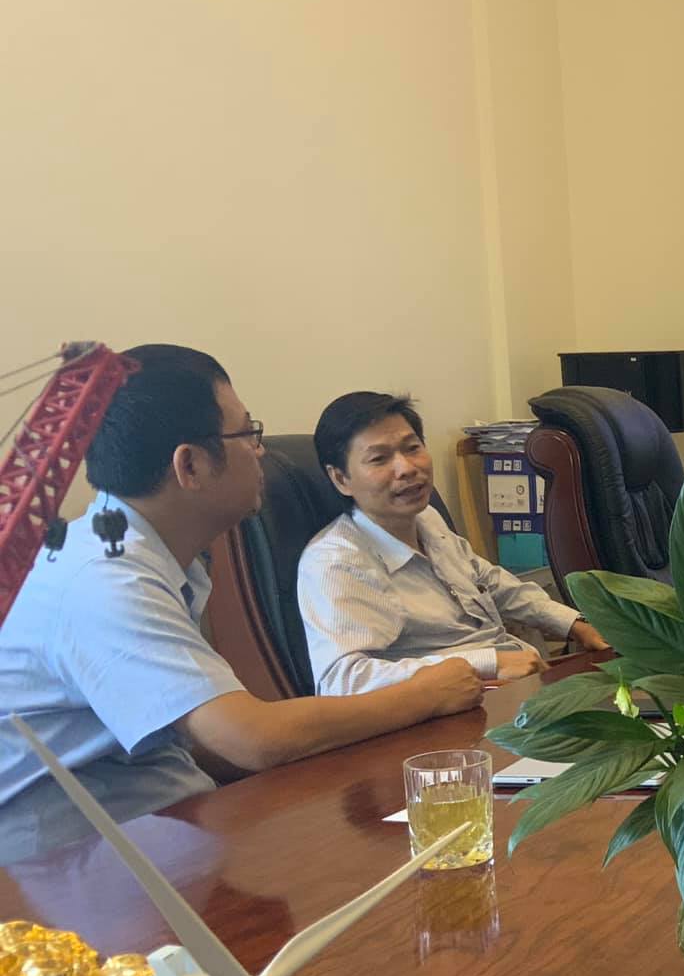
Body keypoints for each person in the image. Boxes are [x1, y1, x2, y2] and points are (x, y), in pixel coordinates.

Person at [0, 347, 482, 851]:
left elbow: (207, 741)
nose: (260, 451)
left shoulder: (156, 557)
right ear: (189, 465)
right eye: (248, 432)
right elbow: (250, 738)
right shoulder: (106, 578)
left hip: (168, 825)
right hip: (73, 867)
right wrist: (426, 693)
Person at [298, 391, 607, 694]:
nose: (406, 468)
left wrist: (574, 624)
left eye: (412, 447)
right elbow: (343, 682)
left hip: (519, 685)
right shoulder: (335, 561)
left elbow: (488, 580)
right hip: (451, 714)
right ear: (341, 479)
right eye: (379, 459)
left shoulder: (426, 518)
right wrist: (488, 662)